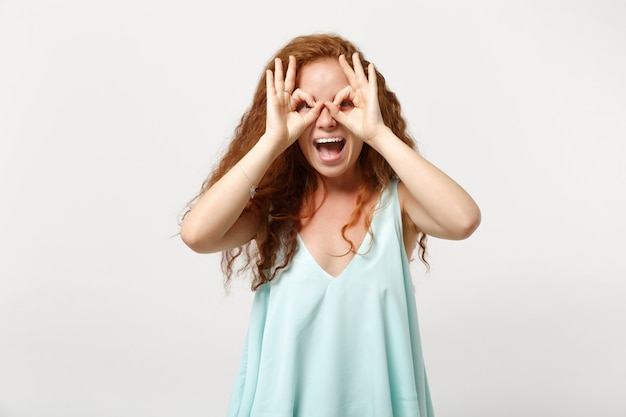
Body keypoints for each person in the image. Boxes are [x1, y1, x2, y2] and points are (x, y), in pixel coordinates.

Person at [180, 33, 480, 417]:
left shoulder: (398, 205)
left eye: (345, 103)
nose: (325, 119)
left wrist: (378, 133)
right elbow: (196, 235)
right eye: (306, 104)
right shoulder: (273, 211)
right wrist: (272, 141)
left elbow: (463, 219)